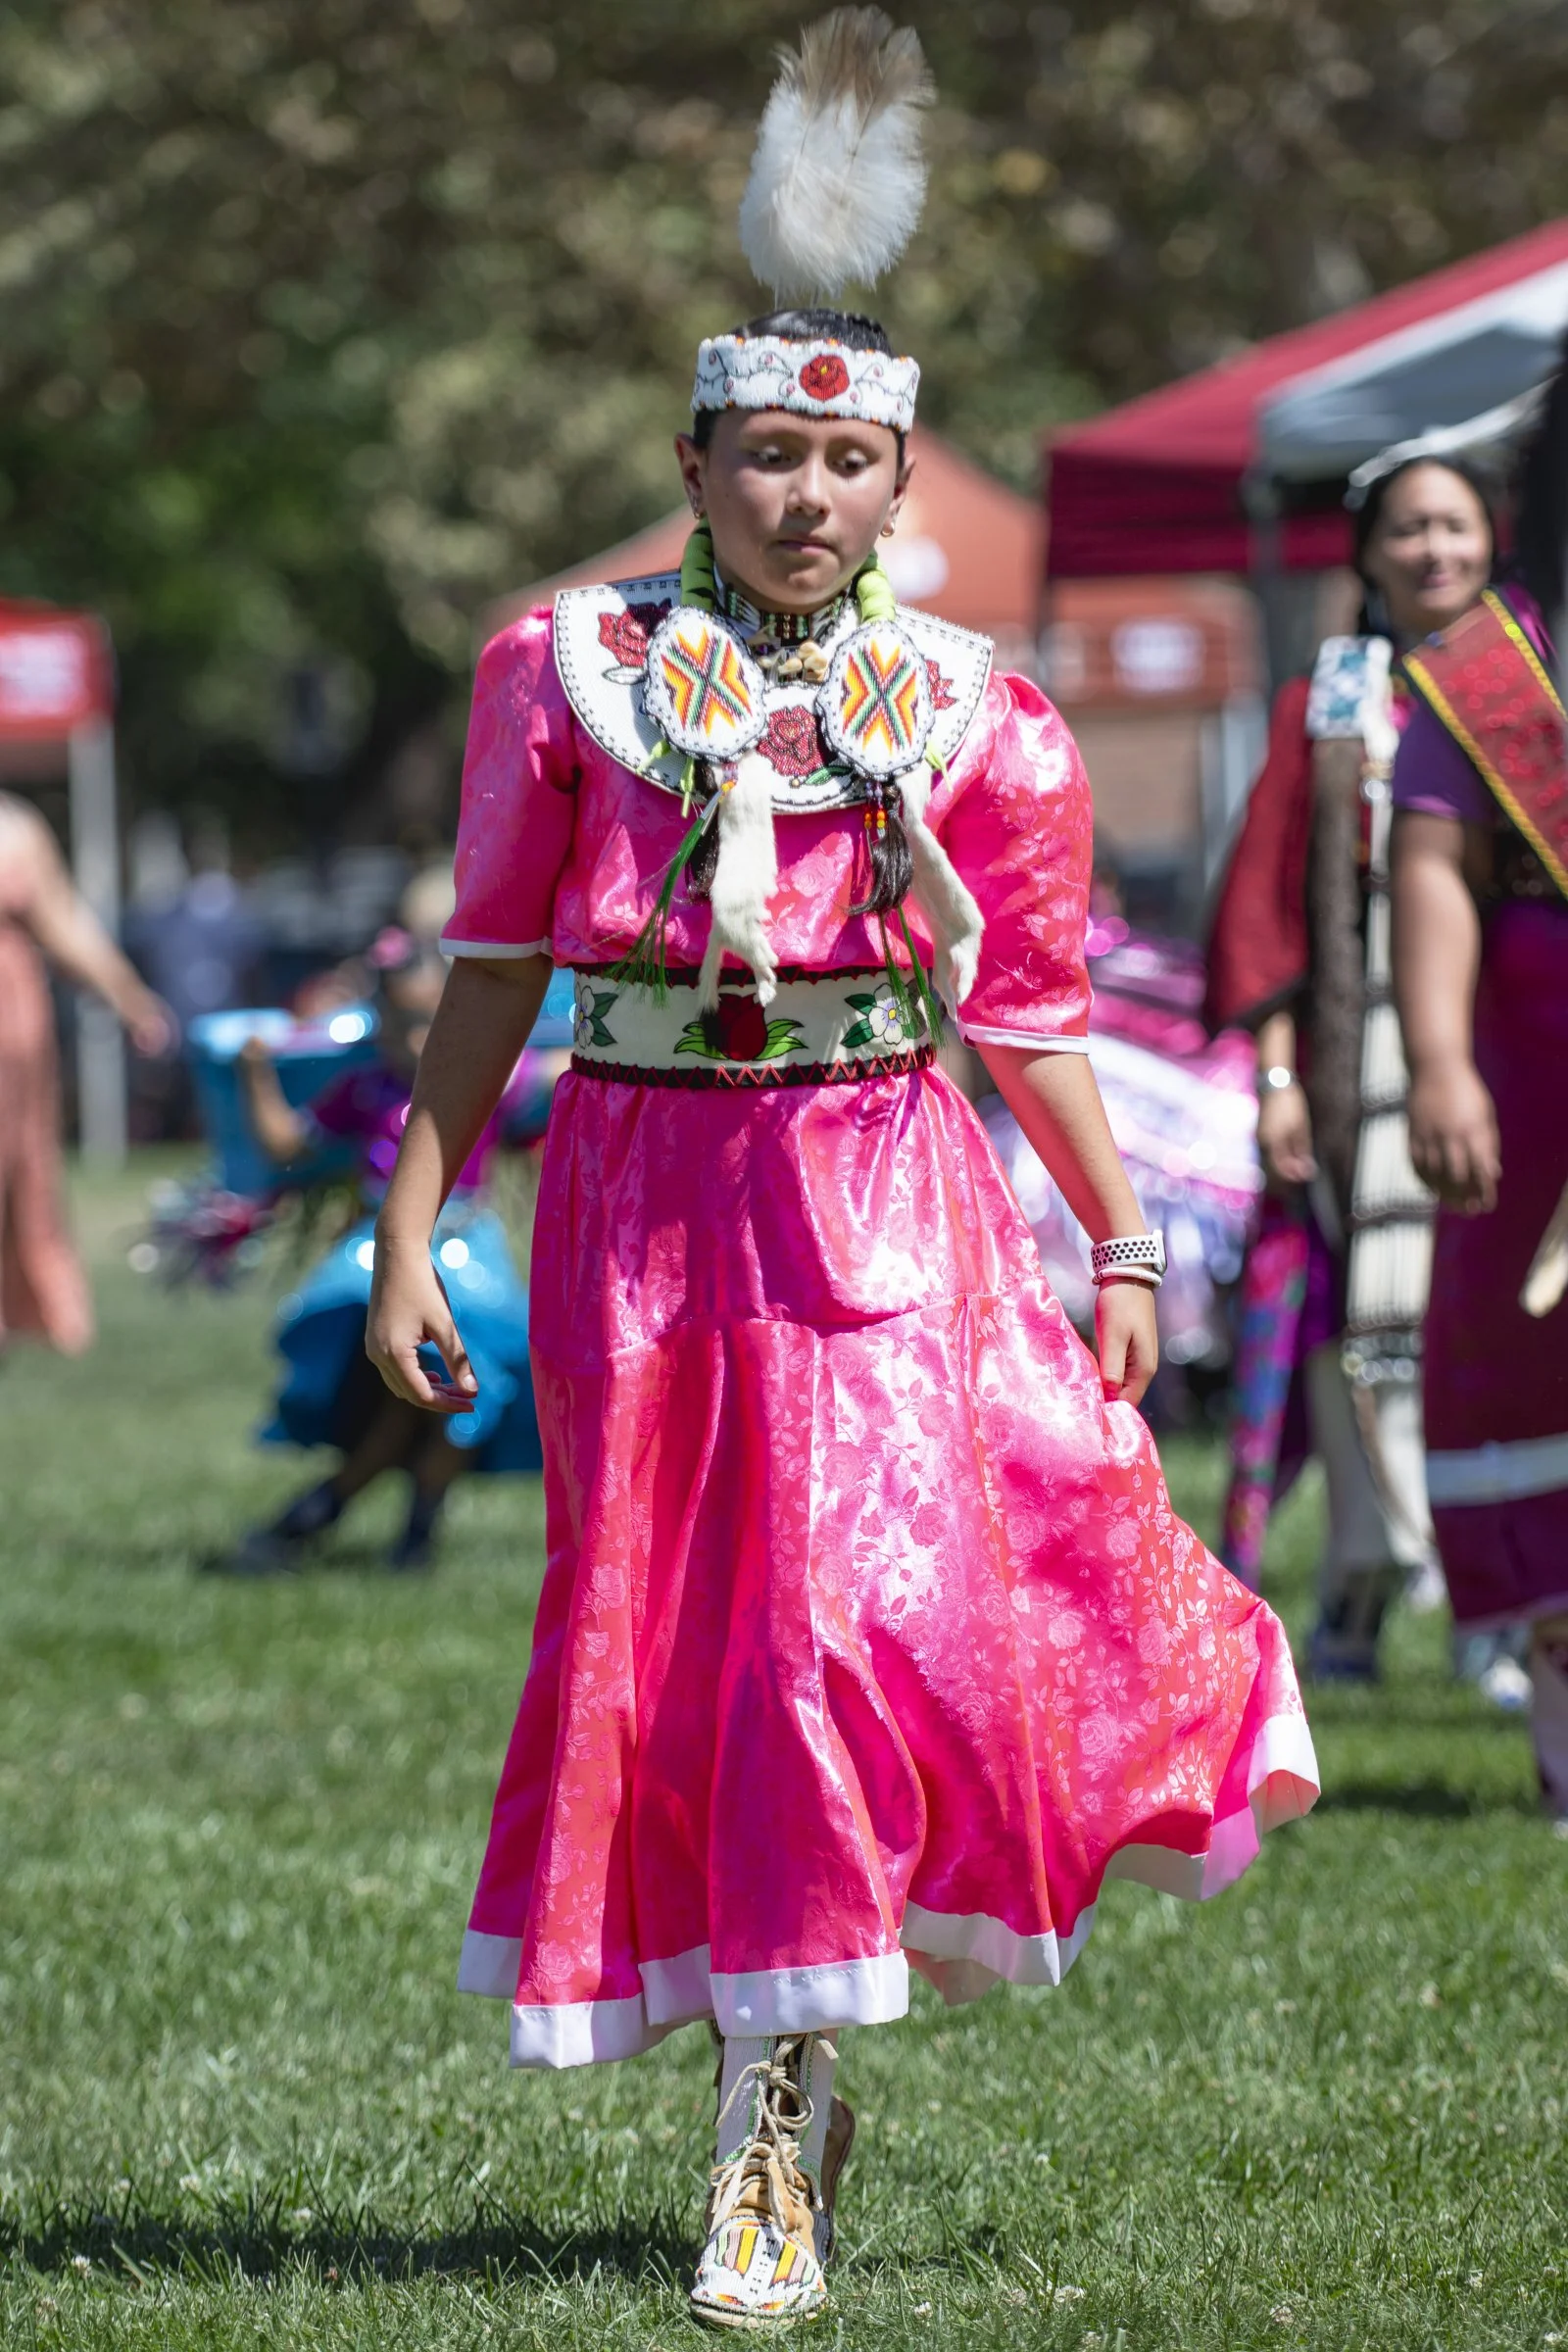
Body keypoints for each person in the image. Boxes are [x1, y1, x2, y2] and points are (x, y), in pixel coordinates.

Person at [365, 13, 1317, 2330]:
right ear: (692, 462)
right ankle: (764, 2063)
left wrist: (1116, 1240)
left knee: (824, 1630)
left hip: (883, 1193)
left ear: (897, 483)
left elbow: (1032, 1013)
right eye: (768, 455)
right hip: (633, 1210)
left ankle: (769, 2135)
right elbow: (490, 975)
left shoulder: (977, 710)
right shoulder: (563, 671)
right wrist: (410, 1221)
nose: (804, 495)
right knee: (667, 1645)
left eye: (845, 461)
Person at [1204, 455, 1507, 1685]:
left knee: (1490, 1320)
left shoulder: (1528, 687)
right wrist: (1278, 1079)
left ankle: (1505, 1600)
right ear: (1369, 551)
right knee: (1363, 1325)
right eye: (1409, 528)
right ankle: (1363, 1585)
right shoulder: (1328, 702)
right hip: (1353, 1064)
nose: (1435, 549)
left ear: (1492, 540)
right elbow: (1269, 902)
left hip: (1507, 1047)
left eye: (1456, 525)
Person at [1391, 366, 1568, 1819]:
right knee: (1533, 1361)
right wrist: (1441, 1065)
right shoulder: (1489, 671)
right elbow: (1434, 866)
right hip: (1529, 1072)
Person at [208, 927, 540, 1575]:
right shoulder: (365, 1090)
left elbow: (560, 1072)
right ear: (378, 1018)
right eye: (404, 1023)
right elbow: (287, 1145)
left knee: (473, 1386)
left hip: (467, 1256)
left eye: (433, 1022)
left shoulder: (489, 1080)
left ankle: (367, 1523)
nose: (419, 1042)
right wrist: (255, 1072)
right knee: (399, 1395)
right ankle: (345, 1519)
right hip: (378, 1255)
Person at [0, 790, 171, 1355]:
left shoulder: (13, 826)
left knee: (22, 1166)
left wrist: (128, 997)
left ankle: (31, 1311)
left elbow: (65, 924)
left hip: (11, 1031)